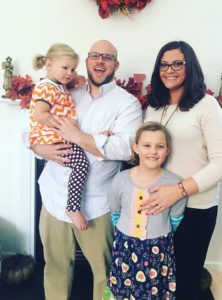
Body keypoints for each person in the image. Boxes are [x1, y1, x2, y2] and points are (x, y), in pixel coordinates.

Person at [32, 40, 142, 300]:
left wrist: (79, 136)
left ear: (116, 65)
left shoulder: (128, 104)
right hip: (54, 197)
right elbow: (33, 126)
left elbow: (126, 149)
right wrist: (39, 149)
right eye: (95, 55)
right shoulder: (66, 92)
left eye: (107, 57)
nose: (100, 61)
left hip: (95, 205)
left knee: (104, 272)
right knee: (55, 267)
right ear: (87, 61)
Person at [143, 41, 222, 300]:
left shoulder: (207, 105)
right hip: (157, 206)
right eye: (163, 64)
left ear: (189, 66)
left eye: (177, 63)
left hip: (196, 208)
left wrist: (179, 191)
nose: (169, 69)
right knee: (156, 279)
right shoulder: (154, 106)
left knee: (183, 283)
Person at [105, 122, 187, 299]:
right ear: (136, 148)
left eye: (160, 146)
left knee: (153, 292)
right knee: (123, 290)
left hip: (158, 249)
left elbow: (176, 218)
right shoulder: (120, 180)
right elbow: (115, 212)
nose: (153, 151)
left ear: (167, 151)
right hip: (125, 247)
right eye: (147, 145)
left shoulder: (175, 184)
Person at [29, 43, 89, 230]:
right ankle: (72, 207)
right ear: (49, 64)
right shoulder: (47, 87)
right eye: (65, 68)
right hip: (53, 138)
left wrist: (74, 79)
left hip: (57, 137)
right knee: (81, 164)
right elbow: (40, 114)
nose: (69, 72)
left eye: (73, 69)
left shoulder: (56, 86)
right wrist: (64, 128)